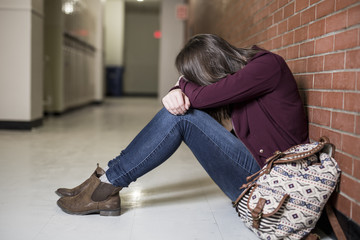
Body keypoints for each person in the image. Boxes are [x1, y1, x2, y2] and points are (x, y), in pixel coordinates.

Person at [56, 34, 309, 216]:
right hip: (256, 175)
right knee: (180, 112)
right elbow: (198, 98)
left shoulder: (266, 66)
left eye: (196, 78)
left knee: (181, 116)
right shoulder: (244, 77)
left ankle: (105, 186)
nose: (198, 84)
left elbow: (198, 98)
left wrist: (180, 84)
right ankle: (104, 182)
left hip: (272, 184)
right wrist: (179, 89)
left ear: (210, 66)